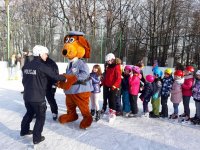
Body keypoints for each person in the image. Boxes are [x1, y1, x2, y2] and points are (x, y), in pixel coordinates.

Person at [20, 45, 67, 145]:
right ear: (41, 54)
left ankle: (24, 131)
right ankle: (36, 138)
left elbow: (24, 80)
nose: (47, 56)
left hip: (27, 96)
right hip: (38, 98)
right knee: (41, 117)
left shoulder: (27, 66)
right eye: (45, 54)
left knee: (29, 113)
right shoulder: (42, 66)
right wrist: (65, 78)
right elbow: (55, 76)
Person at [102, 53, 121, 122]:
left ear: (112, 60)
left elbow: (118, 78)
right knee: (109, 99)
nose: (108, 62)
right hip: (107, 85)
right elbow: (107, 77)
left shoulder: (117, 67)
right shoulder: (109, 67)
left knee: (112, 100)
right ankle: (110, 111)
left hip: (113, 86)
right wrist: (103, 83)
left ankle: (113, 113)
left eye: (108, 61)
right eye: (107, 61)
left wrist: (114, 85)